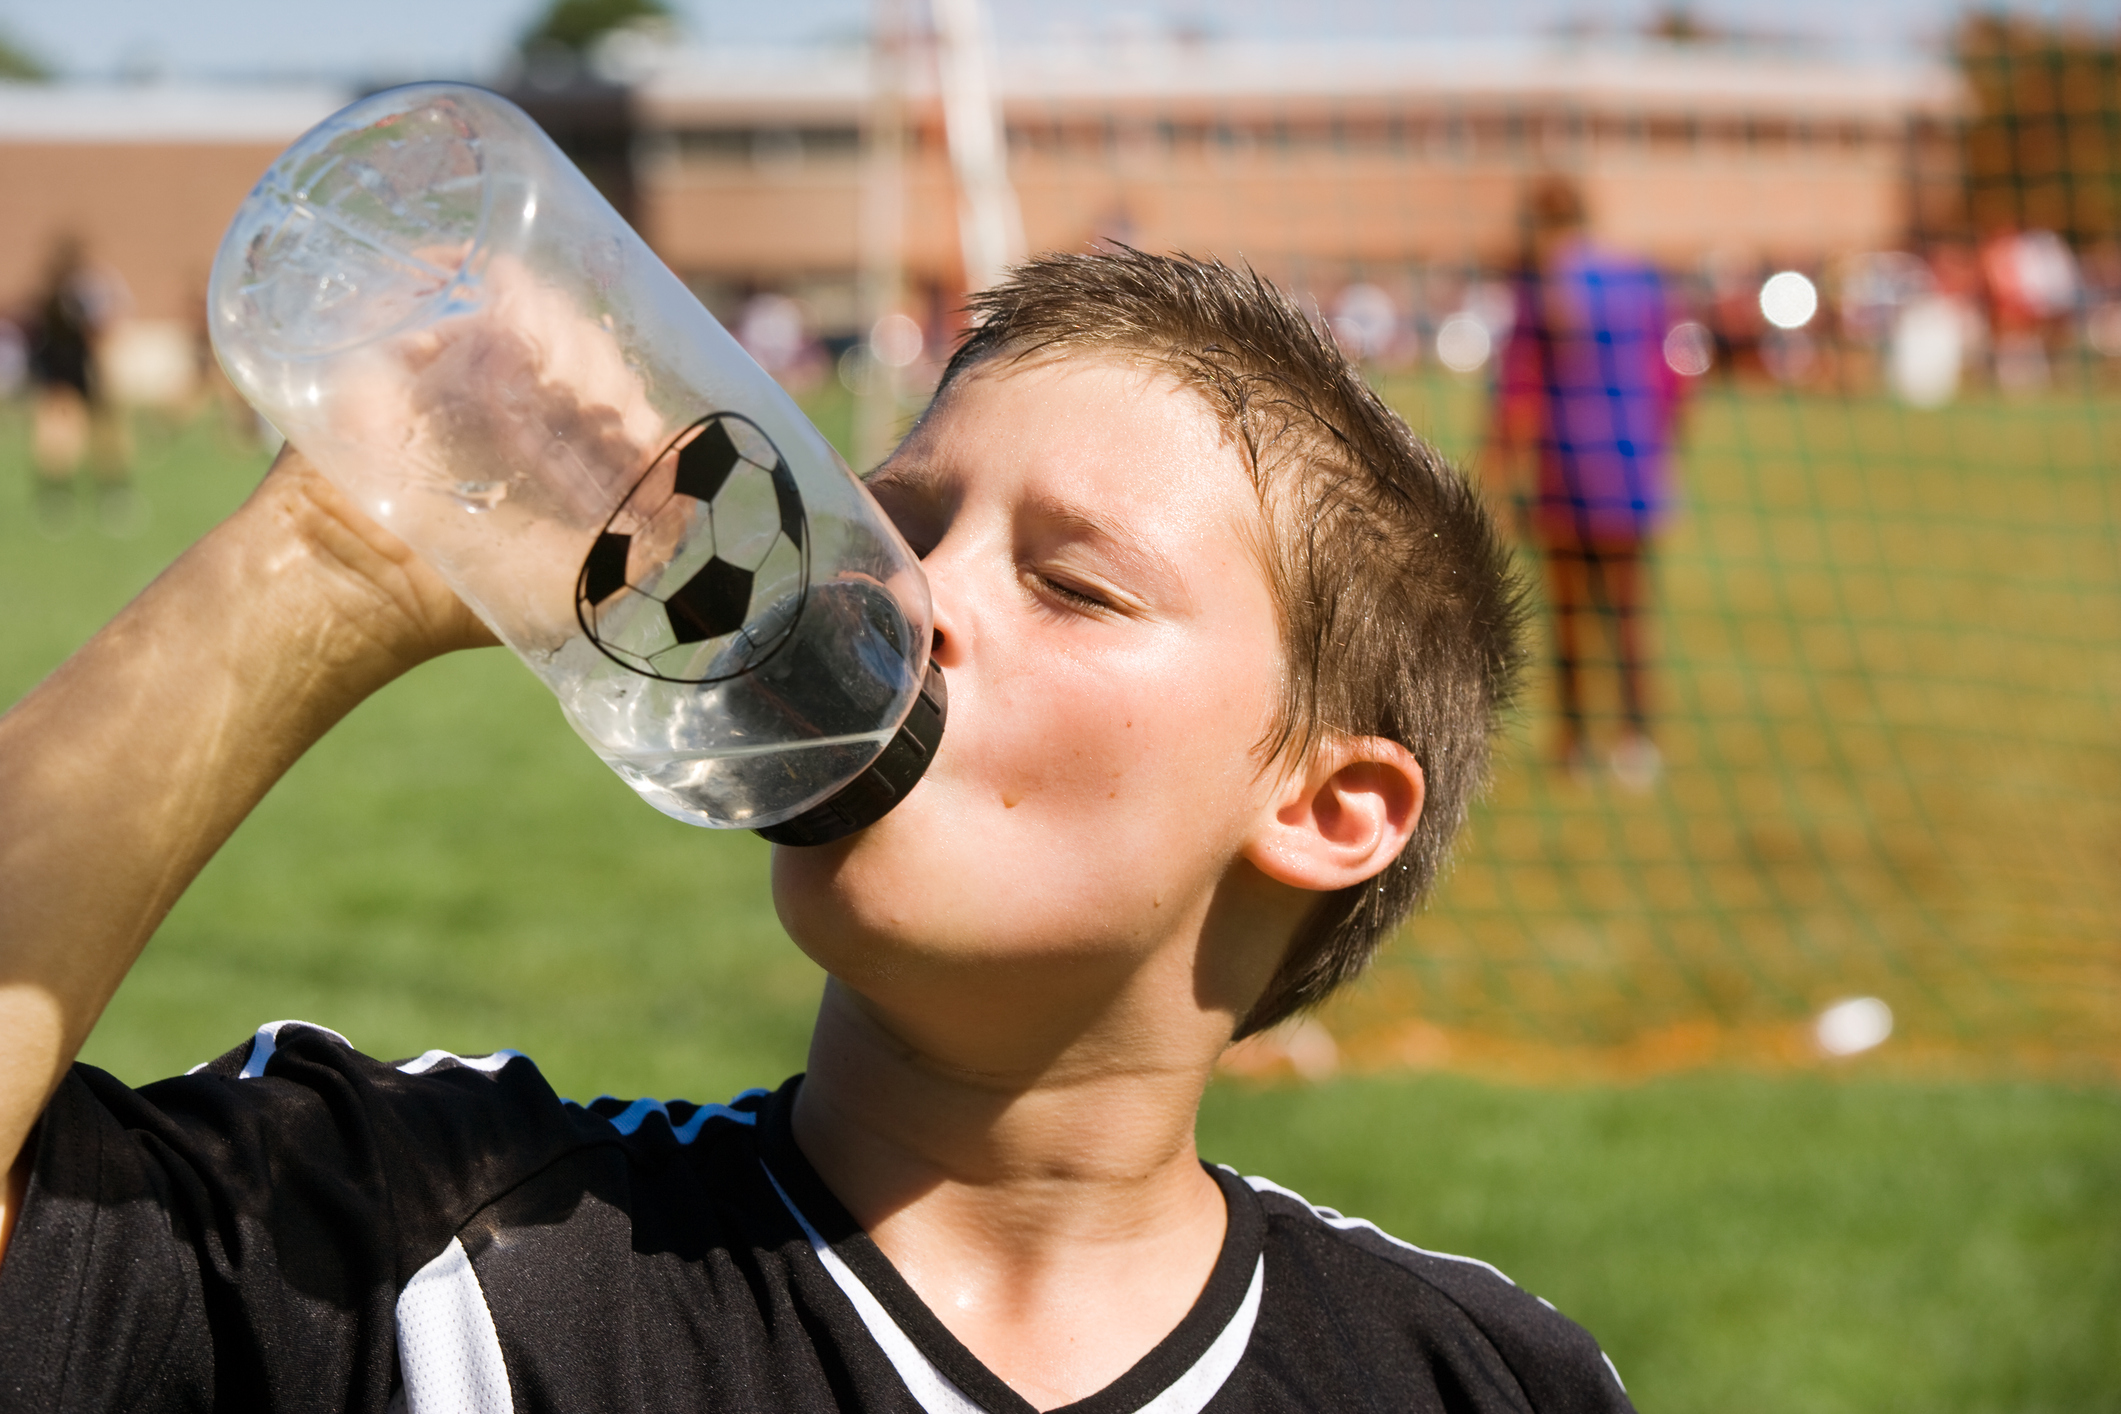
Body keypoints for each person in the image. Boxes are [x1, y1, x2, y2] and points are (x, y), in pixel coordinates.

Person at [0, 249, 1629, 1413]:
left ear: (1330, 804)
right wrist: (325, 563)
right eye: (900, 522)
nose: (909, 602)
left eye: (1072, 579)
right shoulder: (420, 1254)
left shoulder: (1476, 1373)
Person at [1489, 176, 1681, 791]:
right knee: (1628, 613)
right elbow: (1676, 375)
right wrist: (1657, 446)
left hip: (1566, 470)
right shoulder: (1637, 279)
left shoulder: (1539, 286)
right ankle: (1636, 741)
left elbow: (1518, 392)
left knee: (1570, 615)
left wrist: (1496, 477)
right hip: (1630, 467)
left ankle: (1573, 744)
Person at [23, 235, 137, 536]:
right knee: (87, 432)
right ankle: (108, 493)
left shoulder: (54, 291)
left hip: (58, 369)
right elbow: (101, 327)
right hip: (75, 368)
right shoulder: (79, 291)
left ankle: (61, 495)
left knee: (67, 432)